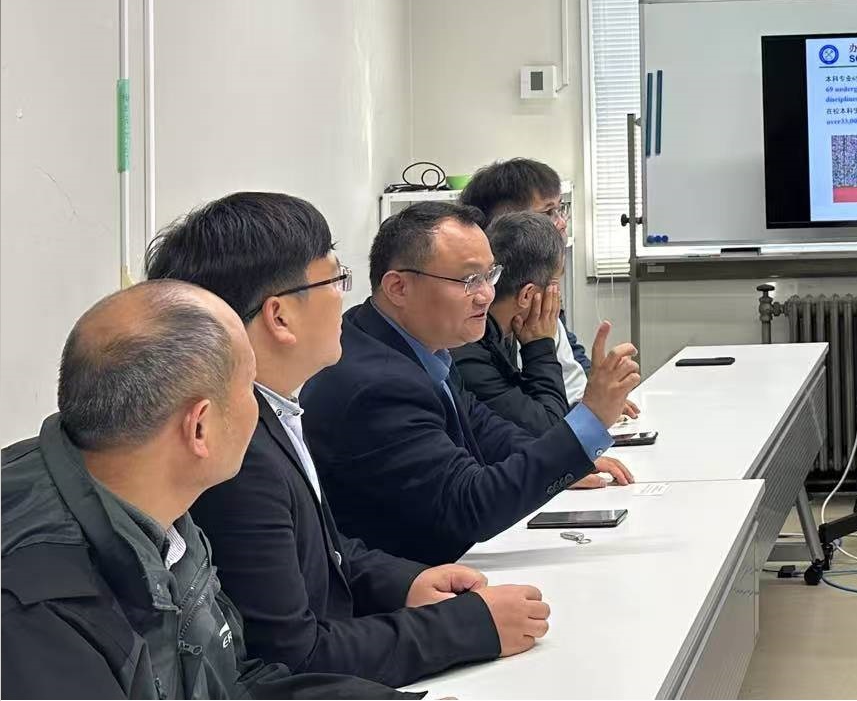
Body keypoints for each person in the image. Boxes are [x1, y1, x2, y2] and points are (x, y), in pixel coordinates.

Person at [145, 192, 551, 685]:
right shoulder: (237, 456)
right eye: (335, 281)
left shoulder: (270, 412)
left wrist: (406, 582)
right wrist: (469, 626)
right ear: (279, 316)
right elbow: (295, 655)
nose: (346, 298)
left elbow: (323, 553)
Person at [1, 281, 404, 699]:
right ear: (199, 427)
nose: (260, 409)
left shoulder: (160, 516)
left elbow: (231, 686)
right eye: (250, 387)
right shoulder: (36, 607)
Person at [301, 201, 639, 566]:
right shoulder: (376, 385)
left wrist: (570, 458)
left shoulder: (407, 339)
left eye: (489, 275)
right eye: (468, 280)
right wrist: (588, 421)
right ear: (398, 287)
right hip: (404, 583)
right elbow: (471, 506)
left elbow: (485, 430)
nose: (487, 294)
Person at [459, 158, 592, 403]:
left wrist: (596, 391)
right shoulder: (474, 327)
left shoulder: (538, 287)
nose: (561, 222)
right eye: (549, 212)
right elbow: (536, 418)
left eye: (561, 209)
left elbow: (570, 355)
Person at [451, 211, 574, 436]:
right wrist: (540, 347)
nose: (558, 297)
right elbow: (548, 433)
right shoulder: (467, 352)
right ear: (527, 295)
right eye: (555, 284)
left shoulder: (500, 334)